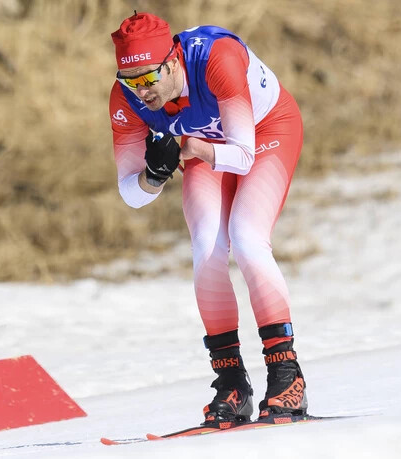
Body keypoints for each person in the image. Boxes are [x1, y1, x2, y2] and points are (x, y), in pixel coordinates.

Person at [109, 12, 307, 426]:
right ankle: (232, 383)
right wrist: (153, 176)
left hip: (265, 133)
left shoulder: (217, 58)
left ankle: (287, 375)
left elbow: (244, 156)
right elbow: (132, 195)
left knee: (247, 238)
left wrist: (195, 149)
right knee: (206, 248)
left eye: (149, 78)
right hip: (205, 145)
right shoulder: (126, 98)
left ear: (172, 61)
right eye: (130, 81)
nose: (141, 91)